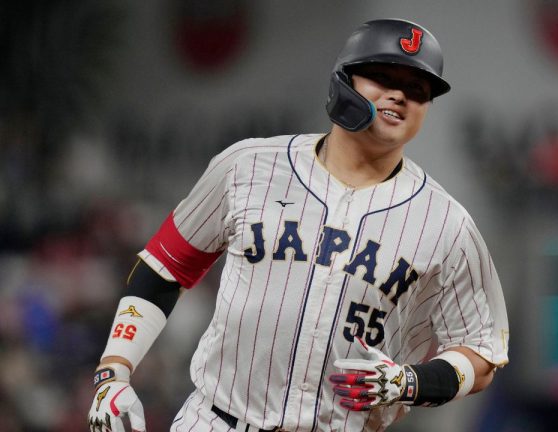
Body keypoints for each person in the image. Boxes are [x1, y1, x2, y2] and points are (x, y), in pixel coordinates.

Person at [87, 18, 509, 432]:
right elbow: (165, 266)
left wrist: (410, 382)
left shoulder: (447, 223)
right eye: (381, 77)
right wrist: (113, 372)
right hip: (218, 420)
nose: (399, 95)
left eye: (417, 90)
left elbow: (481, 351)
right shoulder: (248, 166)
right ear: (342, 82)